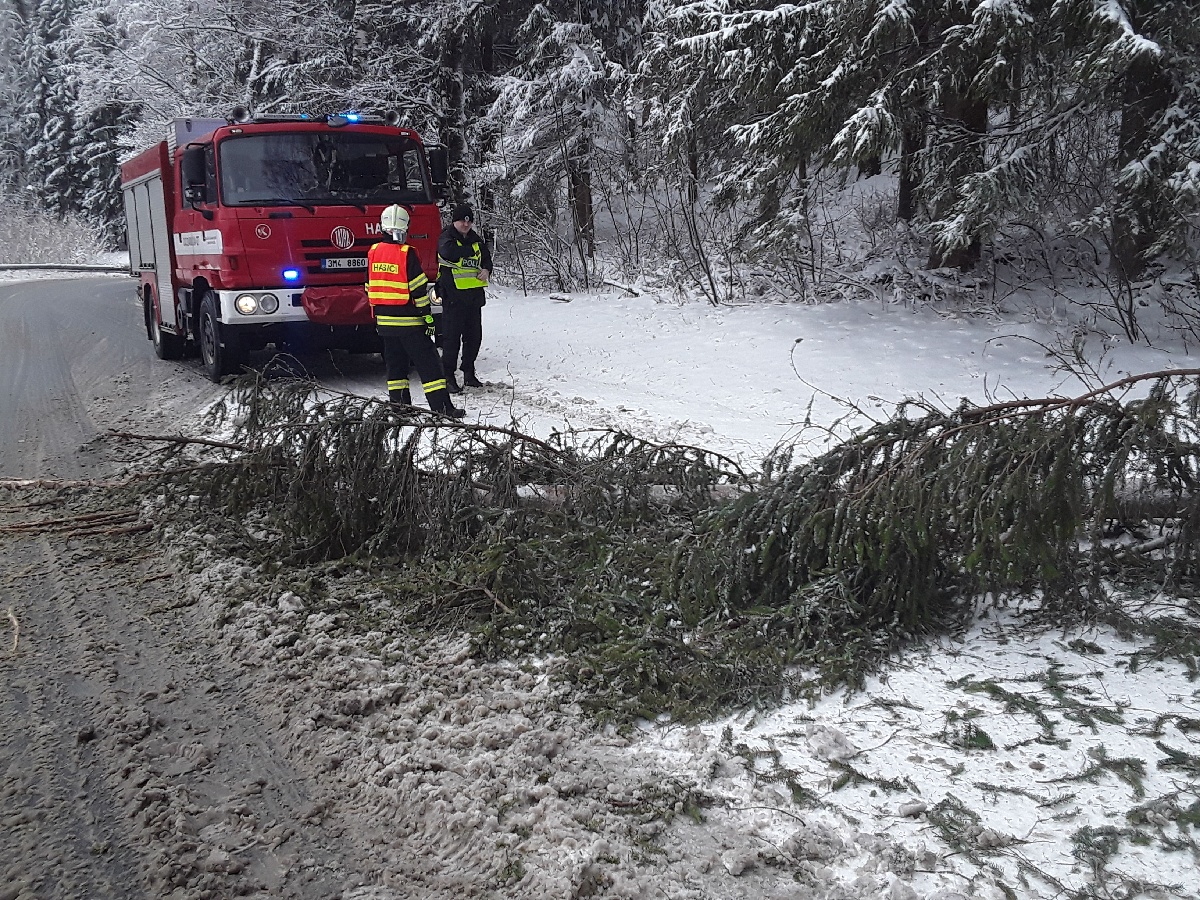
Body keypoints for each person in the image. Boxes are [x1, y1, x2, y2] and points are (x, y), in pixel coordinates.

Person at [367, 204, 465, 418]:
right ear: (405, 227)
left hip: (384, 323)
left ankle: (401, 408)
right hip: (409, 322)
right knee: (430, 365)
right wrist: (428, 318)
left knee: (396, 367)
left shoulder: (374, 252)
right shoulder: (406, 254)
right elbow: (419, 291)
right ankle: (442, 409)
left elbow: (370, 287)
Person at [437, 203, 493, 392]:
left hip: (473, 298)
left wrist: (487, 269)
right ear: (455, 221)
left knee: (474, 337)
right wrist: (469, 250)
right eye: (462, 221)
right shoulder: (446, 238)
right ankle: (448, 376)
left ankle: (469, 372)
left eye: (469, 221)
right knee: (451, 340)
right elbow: (449, 253)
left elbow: (486, 257)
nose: (466, 225)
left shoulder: (476, 240)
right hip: (453, 297)